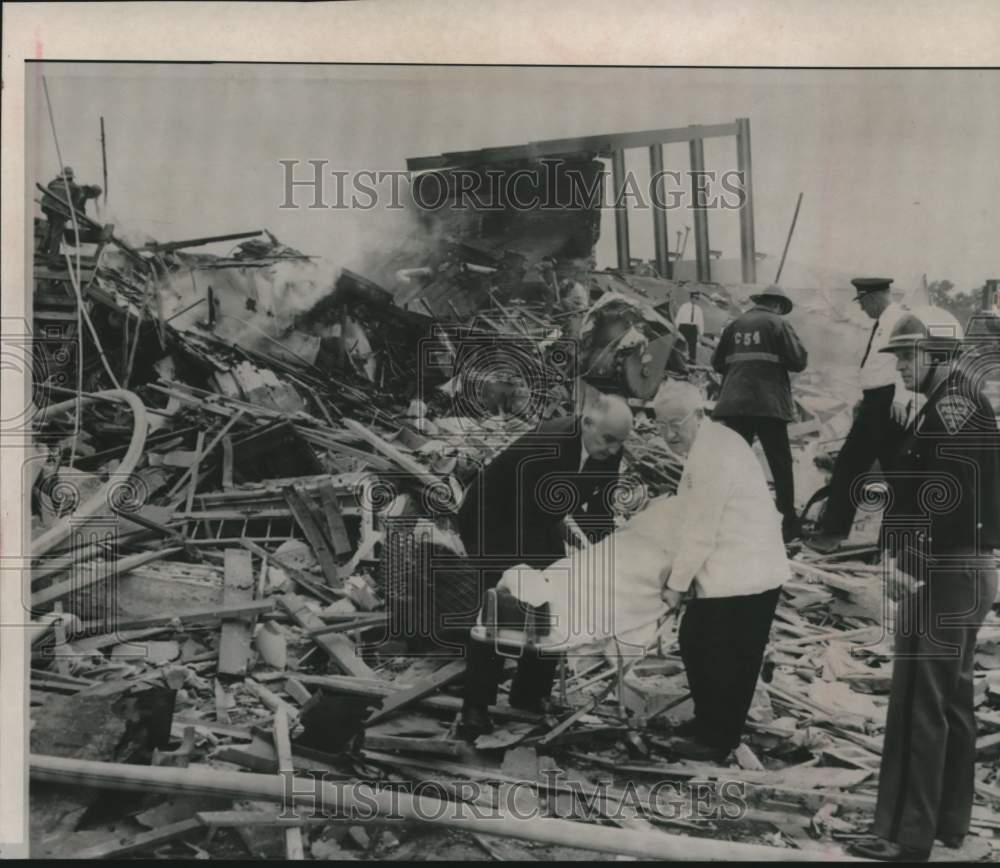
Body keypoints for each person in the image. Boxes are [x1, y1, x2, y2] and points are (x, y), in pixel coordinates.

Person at [850, 307, 1000, 862]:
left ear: (936, 355)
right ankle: (947, 824)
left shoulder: (954, 405)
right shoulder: (950, 402)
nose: (901, 367)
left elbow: (947, 492)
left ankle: (907, 837)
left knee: (921, 701)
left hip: (946, 569)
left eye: (908, 356)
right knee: (952, 701)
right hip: (963, 570)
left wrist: (908, 563)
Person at [456, 393, 633, 737]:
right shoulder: (548, 443)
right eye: (608, 440)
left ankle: (528, 694)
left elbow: (598, 511)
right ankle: (475, 707)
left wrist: (607, 557)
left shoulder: (610, 448)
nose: (613, 450)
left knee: (556, 598)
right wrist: (526, 575)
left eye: (619, 444)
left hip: (536, 520)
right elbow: (519, 513)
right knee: (500, 604)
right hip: (491, 520)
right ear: (587, 423)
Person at [656, 382, 790, 763]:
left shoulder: (714, 455)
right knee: (700, 643)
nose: (669, 434)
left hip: (747, 572)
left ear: (699, 414)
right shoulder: (711, 443)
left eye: (676, 423)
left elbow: (701, 531)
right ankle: (708, 723)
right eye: (660, 425)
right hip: (737, 564)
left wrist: (676, 586)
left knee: (726, 656)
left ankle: (718, 739)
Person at [807, 277, 909, 553]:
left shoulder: (900, 319)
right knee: (862, 466)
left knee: (864, 467)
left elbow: (907, 356)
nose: (862, 309)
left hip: (887, 401)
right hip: (875, 400)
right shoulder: (882, 322)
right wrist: (862, 400)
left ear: (873, 297)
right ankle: (844, 534)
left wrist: (900, 398)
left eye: (862, 302)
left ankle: (842, 534)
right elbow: (875, 365)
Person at [711, 285, 808, 542]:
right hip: (768, 404)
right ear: (777, 305)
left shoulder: (735, 325)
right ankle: (788, 523)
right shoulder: (778, 324)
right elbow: (799, 360)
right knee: (780, 463)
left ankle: (728, 520)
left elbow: (717, 363)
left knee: (733, 462)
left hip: (734, 404)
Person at [40, 166, 102, 266]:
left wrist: (80, 218)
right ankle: (53, 261)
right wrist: (82, 220)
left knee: (52, 227)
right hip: (59, 209)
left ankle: (43, 247)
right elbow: (76, 206)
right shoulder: (76, 188)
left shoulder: (52, 182)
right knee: (57, 232)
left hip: (47, 207)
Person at [675, 289, 706, 365]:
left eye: (697, 298)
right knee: (679, 345)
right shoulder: (684, 306)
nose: (695, 300)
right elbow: (678, 318)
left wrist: (700, 334)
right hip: (683, 328)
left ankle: (692, 366)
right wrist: (676, 329)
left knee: (693, 348)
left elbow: (701, 322)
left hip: (693, 329)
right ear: (691, 298)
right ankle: (678, 363)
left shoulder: (699, 309)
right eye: (694, 298)